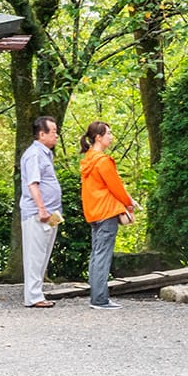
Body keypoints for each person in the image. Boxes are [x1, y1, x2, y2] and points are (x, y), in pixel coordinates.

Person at [77, 121, 134, 310]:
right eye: (108, 133)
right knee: (102, 256)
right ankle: (100, 299)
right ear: (98, 137)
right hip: (107, 212)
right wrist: (129, 203)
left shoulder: (87, 160)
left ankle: (96, 296)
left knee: (96, 255)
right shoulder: (102, 161)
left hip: (93, 212)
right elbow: (115, 186)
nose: (111, 136)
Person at [17, 115, 62, 309]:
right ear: (42, 134)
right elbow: (33, 183)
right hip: (37, 213)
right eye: (53, 132)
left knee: (43, 254)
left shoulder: (45, 154)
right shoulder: (34, 154)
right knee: (35, 255)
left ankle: (37, 293)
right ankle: (33, 296)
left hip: (51, 213)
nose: (57, 136)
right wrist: (42, 208)